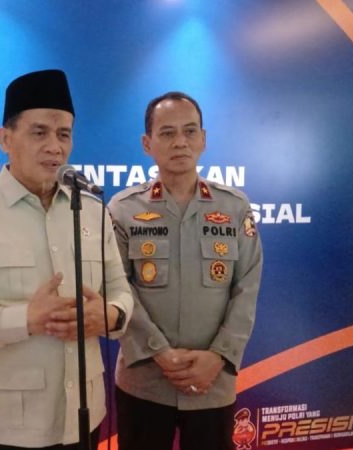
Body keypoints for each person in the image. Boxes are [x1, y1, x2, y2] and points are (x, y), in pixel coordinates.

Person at [0, 69, 134, 450]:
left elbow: (120, 291)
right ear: (5, 139)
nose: (55, 146)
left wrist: (112, 314)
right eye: (39, 133)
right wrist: (26, 319)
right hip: (0, 429)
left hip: (83, 418)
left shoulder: (91, 211)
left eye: (64, 134)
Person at [108, 92, 263, 450]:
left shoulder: (234, 207)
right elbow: (117, 287)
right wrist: (160, 353)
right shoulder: (123, 209)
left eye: (190, 131)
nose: (180, 142)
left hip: (213, 382)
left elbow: (247, 286)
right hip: (144, 381)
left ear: (203, 139)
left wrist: (219, 356)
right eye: (167, 133)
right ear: (147, 144)